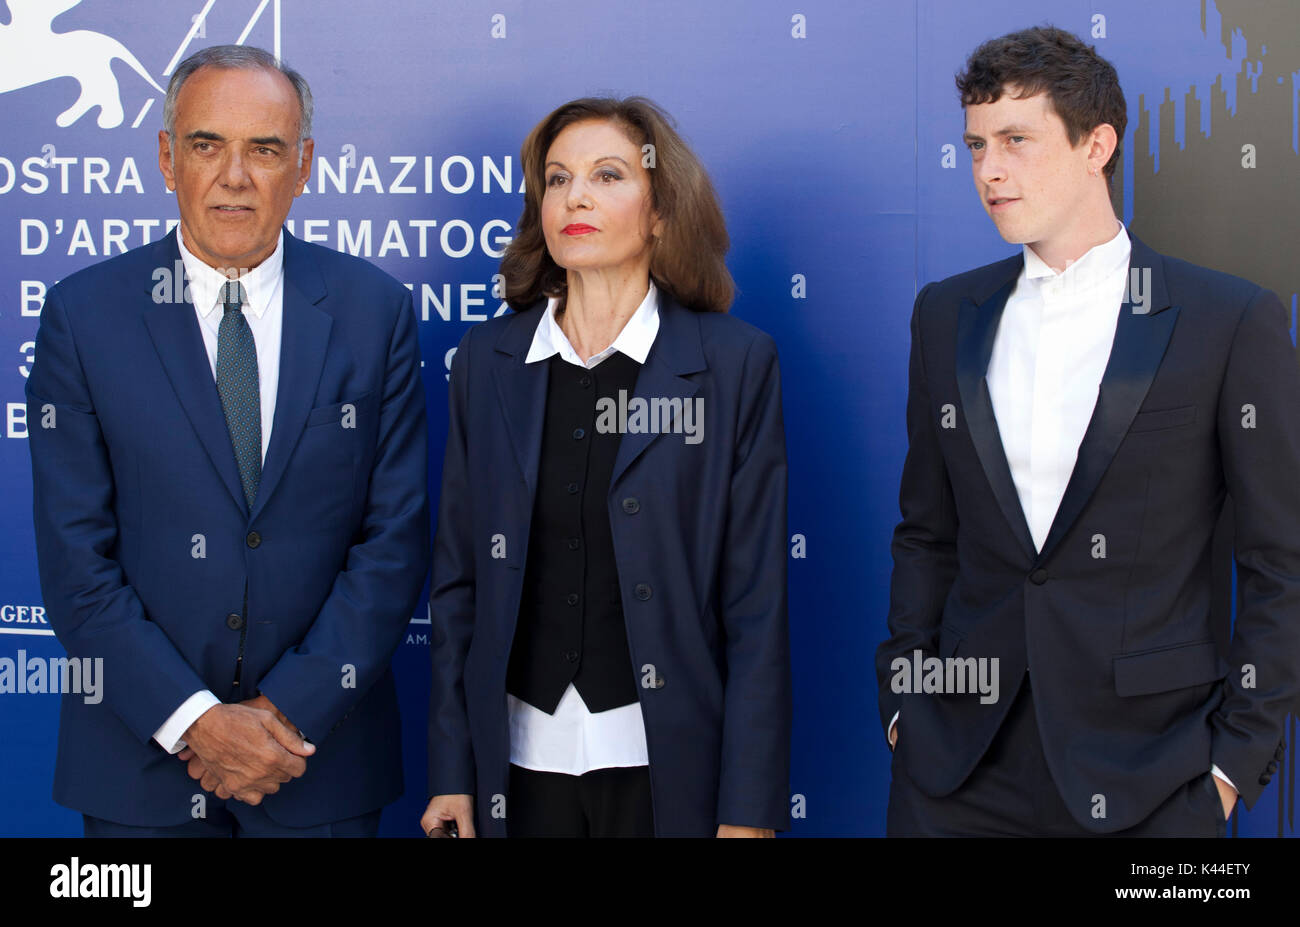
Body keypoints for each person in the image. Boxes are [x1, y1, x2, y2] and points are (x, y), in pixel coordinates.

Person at [876, 25, 1298, 836]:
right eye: (974, 146)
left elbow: (1280, 560)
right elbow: (928, 533)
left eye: (1015, 141)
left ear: (1096, 144)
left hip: (1154, 774)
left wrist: (1232, 765)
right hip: (956, 767)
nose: (988, 171)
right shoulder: (944, 316)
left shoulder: (1228, 319)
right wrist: (904, 698)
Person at [25, 44, 430, 837]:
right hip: (139, 768)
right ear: (167, 159)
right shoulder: (85, 316)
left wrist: (281, 717)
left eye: (265, 149)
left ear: (304, 164)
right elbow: (77, 563)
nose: (235, 175)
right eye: (207, 144)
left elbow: (392, 544)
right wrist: (196, 722)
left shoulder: (373, 310)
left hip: (320, 766)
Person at [422, 97, 791, 837]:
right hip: (519, 767)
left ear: (661, 213)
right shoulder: (488, 364)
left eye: (608, 175)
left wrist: (747, 811)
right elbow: (459, 585)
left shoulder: (733, 364)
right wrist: (452, 774)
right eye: (557, 180)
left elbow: (755, 606)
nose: (575, 197)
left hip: (667, 769)